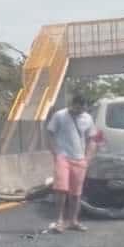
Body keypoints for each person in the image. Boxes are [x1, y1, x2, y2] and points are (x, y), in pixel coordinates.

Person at [46, 93, 97, 233]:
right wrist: (55, 153)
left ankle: (73, 221)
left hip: (79, 159)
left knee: (76, 193)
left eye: (83, 108)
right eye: (78, 107)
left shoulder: (88, 118)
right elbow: (49, 133)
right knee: (61, 190)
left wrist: (87, 159)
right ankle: (59, 221)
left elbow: (92, 139)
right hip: (63, 157)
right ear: (72, 104)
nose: (80, 111)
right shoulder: (59, 115)